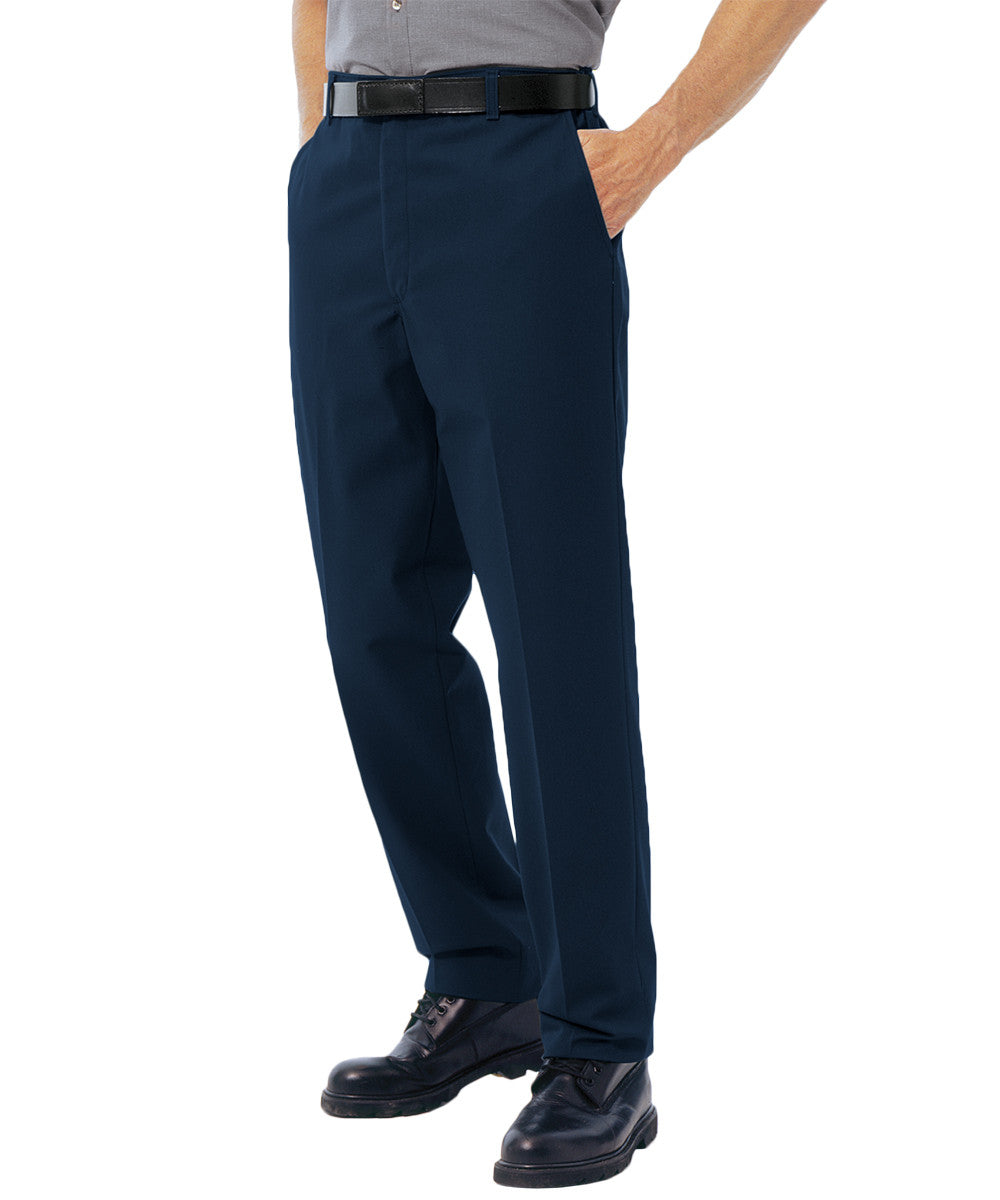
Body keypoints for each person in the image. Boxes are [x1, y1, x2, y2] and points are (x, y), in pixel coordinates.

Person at [287, 0, 827, 1187]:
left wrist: (654, 144)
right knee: (372, 614)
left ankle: (600, 1045)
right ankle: (485, 972)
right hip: (345, 183)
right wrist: (319, 137)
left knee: (553, 626)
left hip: (520, 172)